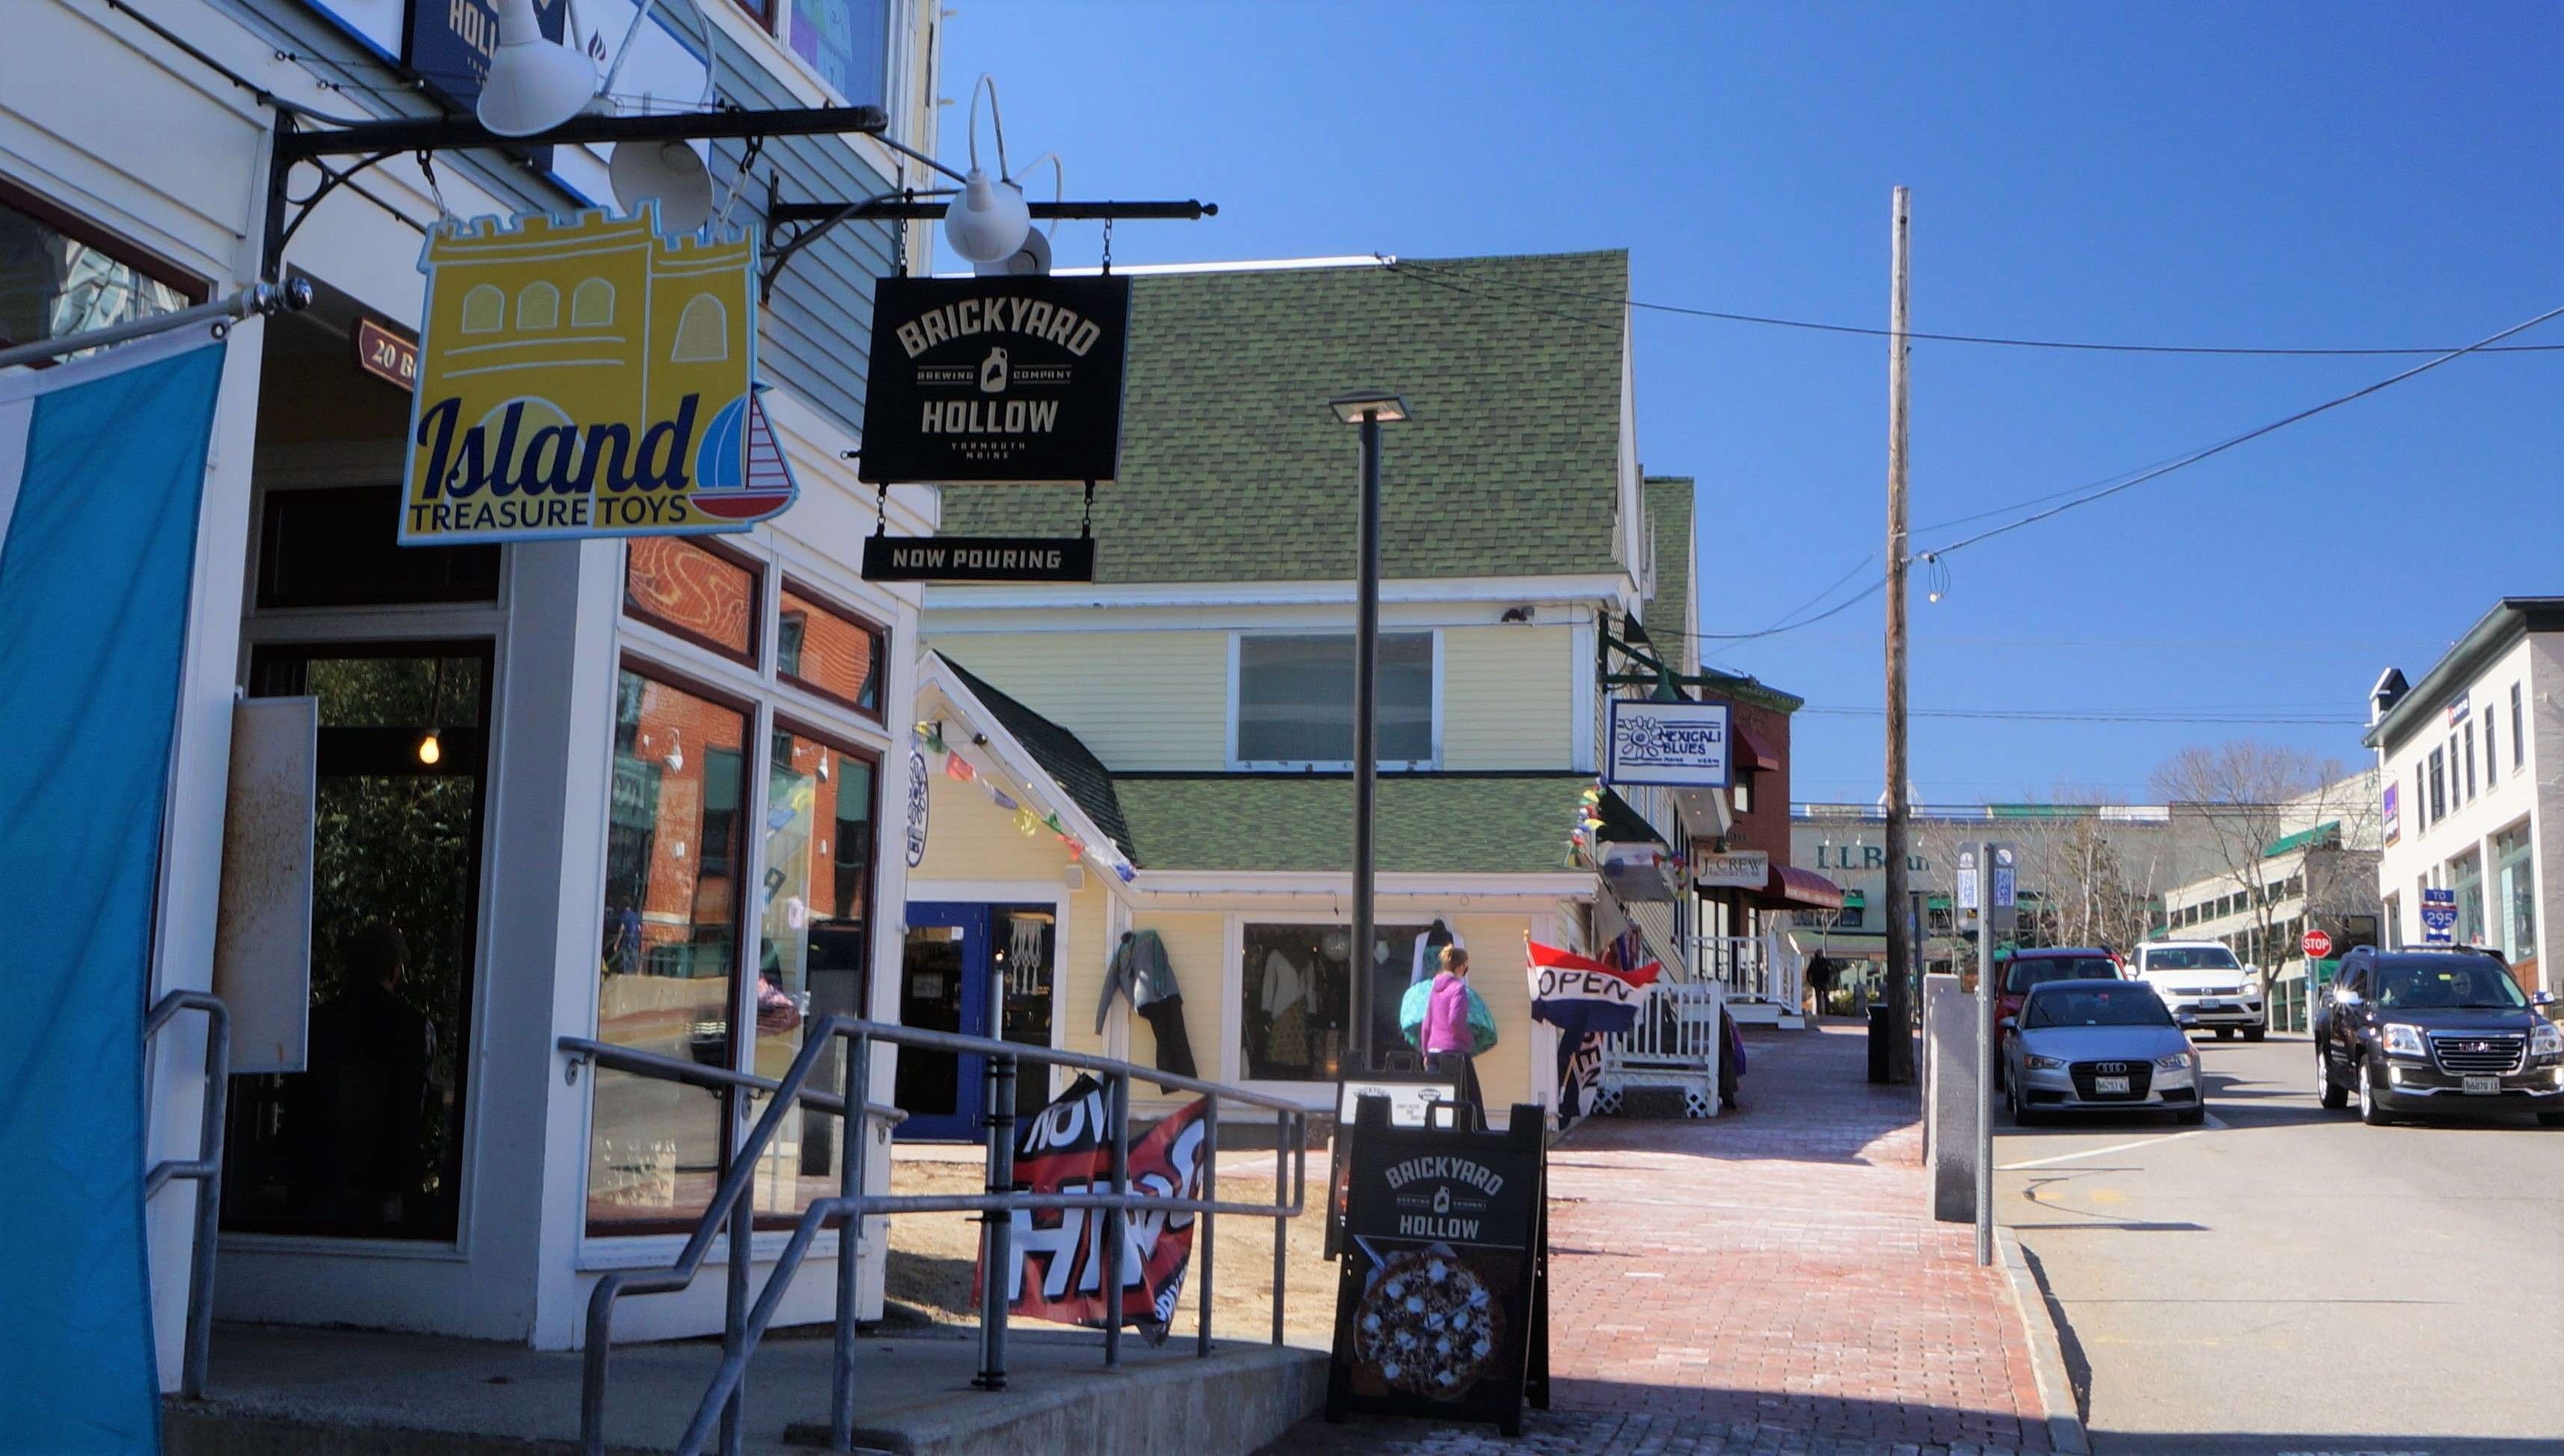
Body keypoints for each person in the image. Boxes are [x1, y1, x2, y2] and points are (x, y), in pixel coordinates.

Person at [1420, 943, 1485, 1124]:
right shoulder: (1458, 989)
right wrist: (1468, 1039)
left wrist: (1426, 1053)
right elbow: (1455, 1021)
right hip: (1454, 1053)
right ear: (1460, 967)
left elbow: (1427, 1024)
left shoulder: (1434, 989)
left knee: (1435, 1099)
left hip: (1433, 1052)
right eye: (1466, 965)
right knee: (1469, 1102)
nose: (1466, 969)